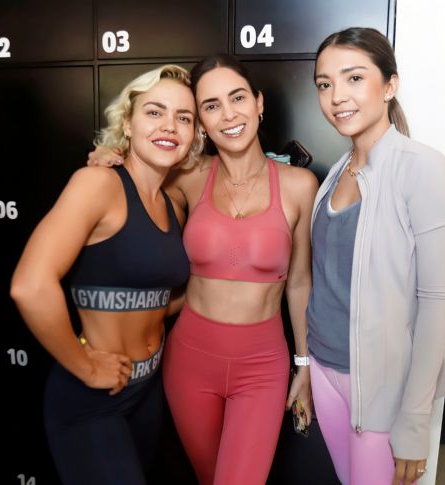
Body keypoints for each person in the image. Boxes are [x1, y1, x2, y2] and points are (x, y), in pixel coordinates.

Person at [88, 53, 317, 485]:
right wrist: (110, 155)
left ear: (259, 103)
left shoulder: (299, 186)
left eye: (238, 98)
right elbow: (138, 177)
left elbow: (300, 283)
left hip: (262, 367)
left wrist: (303, 365)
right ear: (201, 123)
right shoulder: (188, 176)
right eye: (211, 106)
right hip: (189, 361)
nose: (228, 115)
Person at [10, 64, 203, 485]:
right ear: (128, 124)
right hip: (94, 398)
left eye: (183, 118)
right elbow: (29, 286)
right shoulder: (97, 184)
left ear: (193, 135)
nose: (169, 125)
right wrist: (83, 366)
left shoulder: (172, 201)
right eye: (154, 112)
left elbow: (149, 299)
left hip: (148, 391)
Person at [306, 27, 445, 485]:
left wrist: (413, 422)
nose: (337, 96)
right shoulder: (336, 172)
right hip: (324, 369)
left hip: (380, 389)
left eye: (354, 78)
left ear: (389, 85)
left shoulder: (423, 168)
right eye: (324, 84)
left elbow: (437, 304)